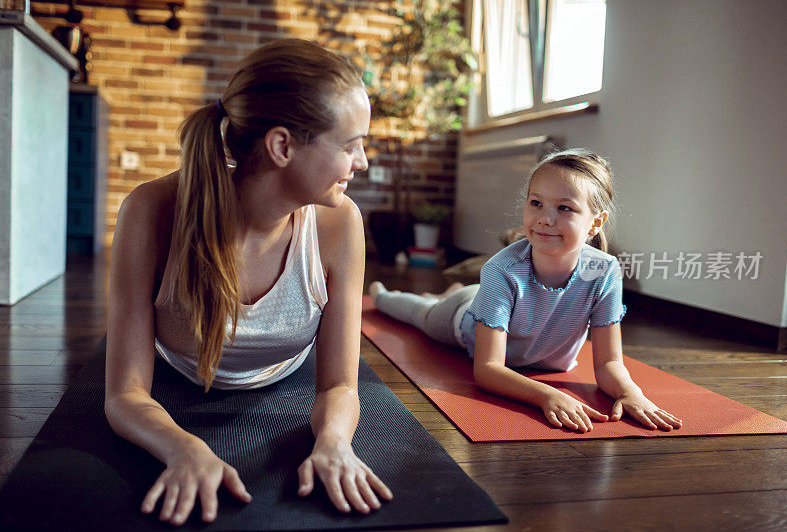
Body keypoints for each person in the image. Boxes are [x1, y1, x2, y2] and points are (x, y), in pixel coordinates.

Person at [105, 38, 392, 527]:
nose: (361, 161)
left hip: (285, 376)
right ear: (282, 146)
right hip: (179, 377)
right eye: (349, 145)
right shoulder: (151, 211)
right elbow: (125, 394)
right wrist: (182, 448)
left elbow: (342, 382)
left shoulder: (340, 223)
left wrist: (334, 443)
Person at [370, 149, 682, 434]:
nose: (546, 219)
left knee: (467, 295)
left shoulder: (604, 271)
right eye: (536, 203)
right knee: (420, 314)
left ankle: (455, 291)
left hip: (497, 307)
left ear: (595, 223)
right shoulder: (501, 269)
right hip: (461, 321)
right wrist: (547, 395)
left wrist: (631, 394)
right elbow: (488, 369)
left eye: (564, 207)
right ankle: (388, 294)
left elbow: (607, 364)